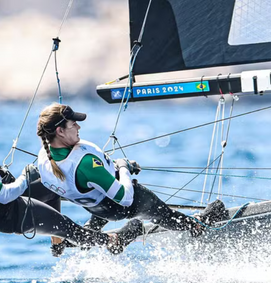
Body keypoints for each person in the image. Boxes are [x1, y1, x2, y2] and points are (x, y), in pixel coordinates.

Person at [0, 104, 141, 256]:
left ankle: (58, 242)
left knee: (54, 183)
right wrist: (26, 176)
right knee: (69, 228)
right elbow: (3, 196)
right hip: (8, 212)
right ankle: (113, 242)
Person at [35, 103, 228, 253]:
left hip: (100, 208)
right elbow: (125, 198)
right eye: (73, 124)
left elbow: (51, 195)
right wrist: (123, 167)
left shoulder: (44, 159)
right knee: (166, 216)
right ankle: (198, 224)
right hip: (126, 204)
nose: (78, 126)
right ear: (60, 131)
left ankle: (83, 239)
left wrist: (56, 237)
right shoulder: (85, 164)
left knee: (103, 208)